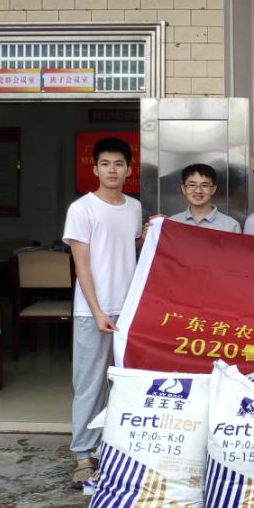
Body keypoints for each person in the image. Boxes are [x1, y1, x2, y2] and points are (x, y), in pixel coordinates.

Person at [62, 136, 143, 487]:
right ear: (94, 169)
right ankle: (84, 454)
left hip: (129, 311)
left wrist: (150, 233)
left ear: (129, 170)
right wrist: (96, 311)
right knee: (90, 385)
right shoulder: (82, 209)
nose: (112, 170)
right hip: (93, 311)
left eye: (119, 164)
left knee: (125, 384)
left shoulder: (134, 207)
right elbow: (81, 266)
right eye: (105, 164)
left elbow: (130, 248)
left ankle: (116, 448)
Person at [166, 163, 241, 233]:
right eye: (192, 185)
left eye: (204, 185)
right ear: (183, 189)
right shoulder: (171, 223)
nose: (198, 191)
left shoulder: (231, 226)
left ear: (213, 189)